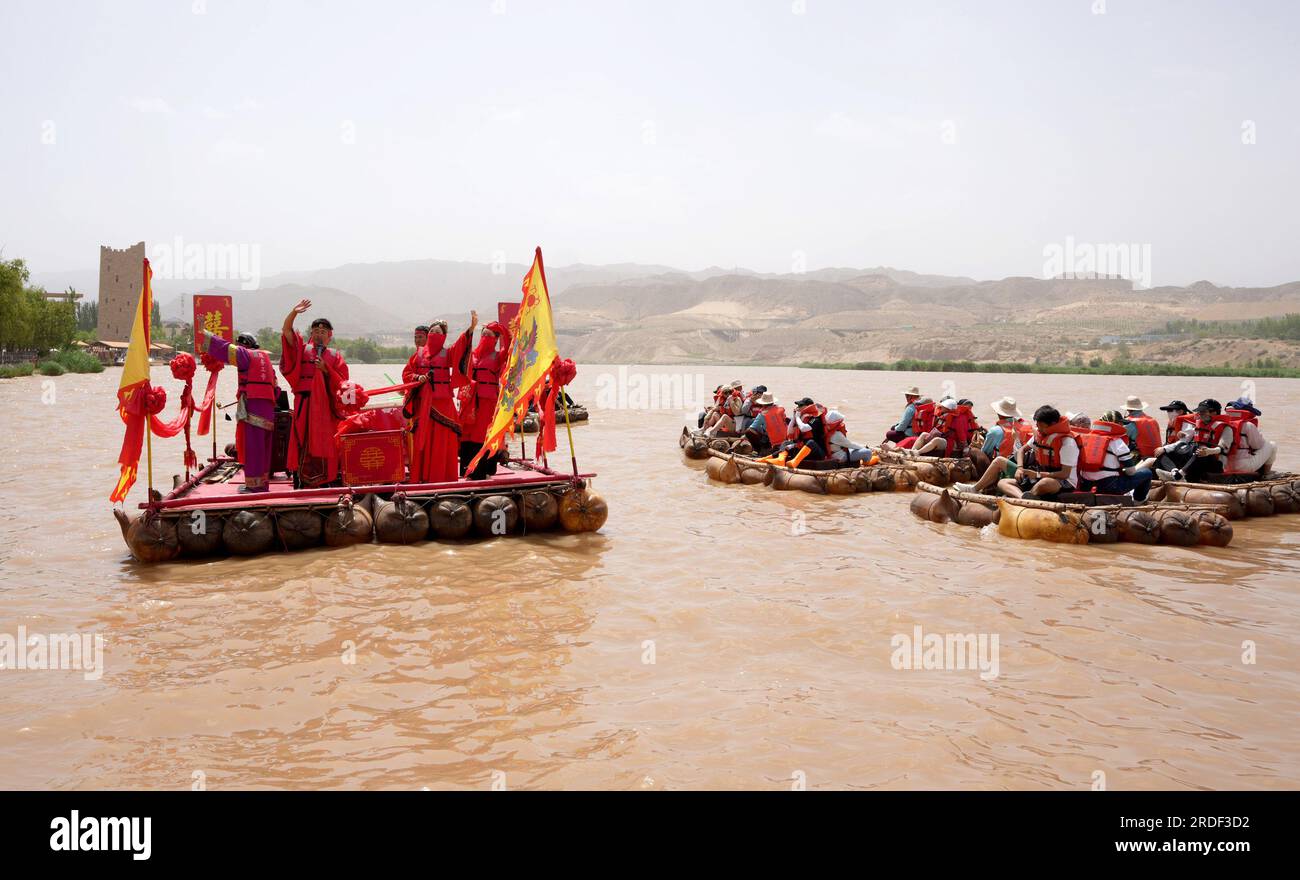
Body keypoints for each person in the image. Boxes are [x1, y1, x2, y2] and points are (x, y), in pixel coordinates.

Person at [280, 298, 350, 487]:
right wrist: (293, 313)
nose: (319, 335)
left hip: (326, 408)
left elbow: (343, 384)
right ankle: (300, 479)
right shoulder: (302, 350)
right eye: (316, 332)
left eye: (323, 332)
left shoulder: (335, 356)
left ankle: (327, 480)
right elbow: (287, 332)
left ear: (330, 335)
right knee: (301, 439)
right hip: (304, 403)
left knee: (325, 440)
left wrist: (327, 370)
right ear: (311, 334)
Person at [205, 330, 280, 493]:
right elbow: (277, 389)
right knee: (263, 450)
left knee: (253, 448)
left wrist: (206, 335)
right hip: (268, 411)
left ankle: (254, 487)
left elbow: (225, 349)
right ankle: (262, 484)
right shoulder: (265, 359)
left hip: (253, 409)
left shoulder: (245, 354)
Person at [410, 313, 476, 483]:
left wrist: (471, 329)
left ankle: (442, 477)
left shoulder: (447, 354)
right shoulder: (418, 354)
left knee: (442, 441)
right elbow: (407, 373)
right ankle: (421, 477)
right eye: (432, 331)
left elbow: (461, 347)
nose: (434, 335)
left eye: (438, 333)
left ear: (444, 337)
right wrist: (418, 378)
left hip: (443, 402)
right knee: (422, 439)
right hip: (423, 403)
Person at [459, 320, 510, 480]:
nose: (485, 337)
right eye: (483, 335)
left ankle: (483, 469)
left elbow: (510, 347)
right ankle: (468, 469)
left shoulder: (497, 355)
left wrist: (501, 329)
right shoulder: (472, 354)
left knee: (483, 434)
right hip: (470, 399)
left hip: (488, 400)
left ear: (495, 339)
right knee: (468, 434)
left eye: (489, 335)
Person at [996, 405, 1078, 500]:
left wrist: (1037, 474)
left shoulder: (1067, 442)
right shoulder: (1041, 436)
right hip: (1040, 475)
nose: (1038, 429)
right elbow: (1022, 450)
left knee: (1045, 483)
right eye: (1037, 426)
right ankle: (1023, 497)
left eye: (1041, 426)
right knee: (1003, 483)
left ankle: (1029, 495)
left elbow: (1064, 474)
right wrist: (1020, 468)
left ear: (1053, 424)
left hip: (1063, 481)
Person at [954, 397, 1032, 493]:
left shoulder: (996, 430)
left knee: (974, 451)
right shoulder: (1025, 425)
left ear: (999, 413)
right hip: (1027, 465)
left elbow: (985, 452)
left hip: (1007, 466)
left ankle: (988, 486)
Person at [1076, 410, 1153, 501]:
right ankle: (1138, 500)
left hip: (1086, 486)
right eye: (1122, 424)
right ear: (1118, 424)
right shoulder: (1117, 442)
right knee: (1147, 473)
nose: (1123, 426)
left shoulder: (1084, 438)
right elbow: (1131, 472)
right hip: (1109, 486)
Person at [1224, 397, 1277, 477]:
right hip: (1243, 467)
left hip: (1225, 466)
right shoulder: (1248, 425)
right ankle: (1266, 475)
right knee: (1272, 445)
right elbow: (1258, 445)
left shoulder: (1224, 423)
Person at [743, 392, 787, 457]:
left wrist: (744, 437)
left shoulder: (763, 414)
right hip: (784, 438)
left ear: (763, 404)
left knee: (748, 431)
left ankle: (759, 450)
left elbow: (753, 427)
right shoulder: (780, 409)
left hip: (772, 441)